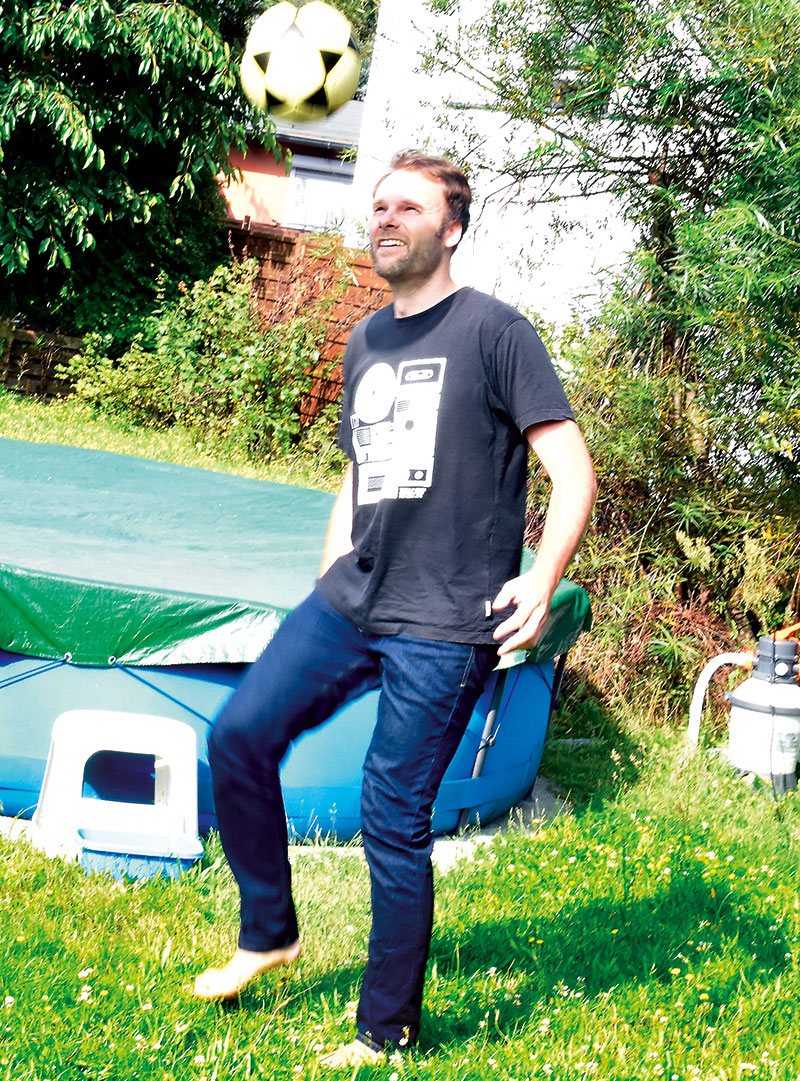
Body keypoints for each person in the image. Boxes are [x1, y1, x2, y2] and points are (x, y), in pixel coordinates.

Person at [192, 150, 597, 1067]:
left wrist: (541, 579)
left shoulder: (497, 333)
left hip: (446, 619)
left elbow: (572, 468)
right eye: (376, 205)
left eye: (407, 206)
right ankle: (270, 930)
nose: (385, 218)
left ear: (451, 227)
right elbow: (358, 467)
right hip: (353, 598)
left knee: (391, 813)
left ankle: (388, 1032)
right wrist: (330, 568)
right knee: (237, 737)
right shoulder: (367, 338)